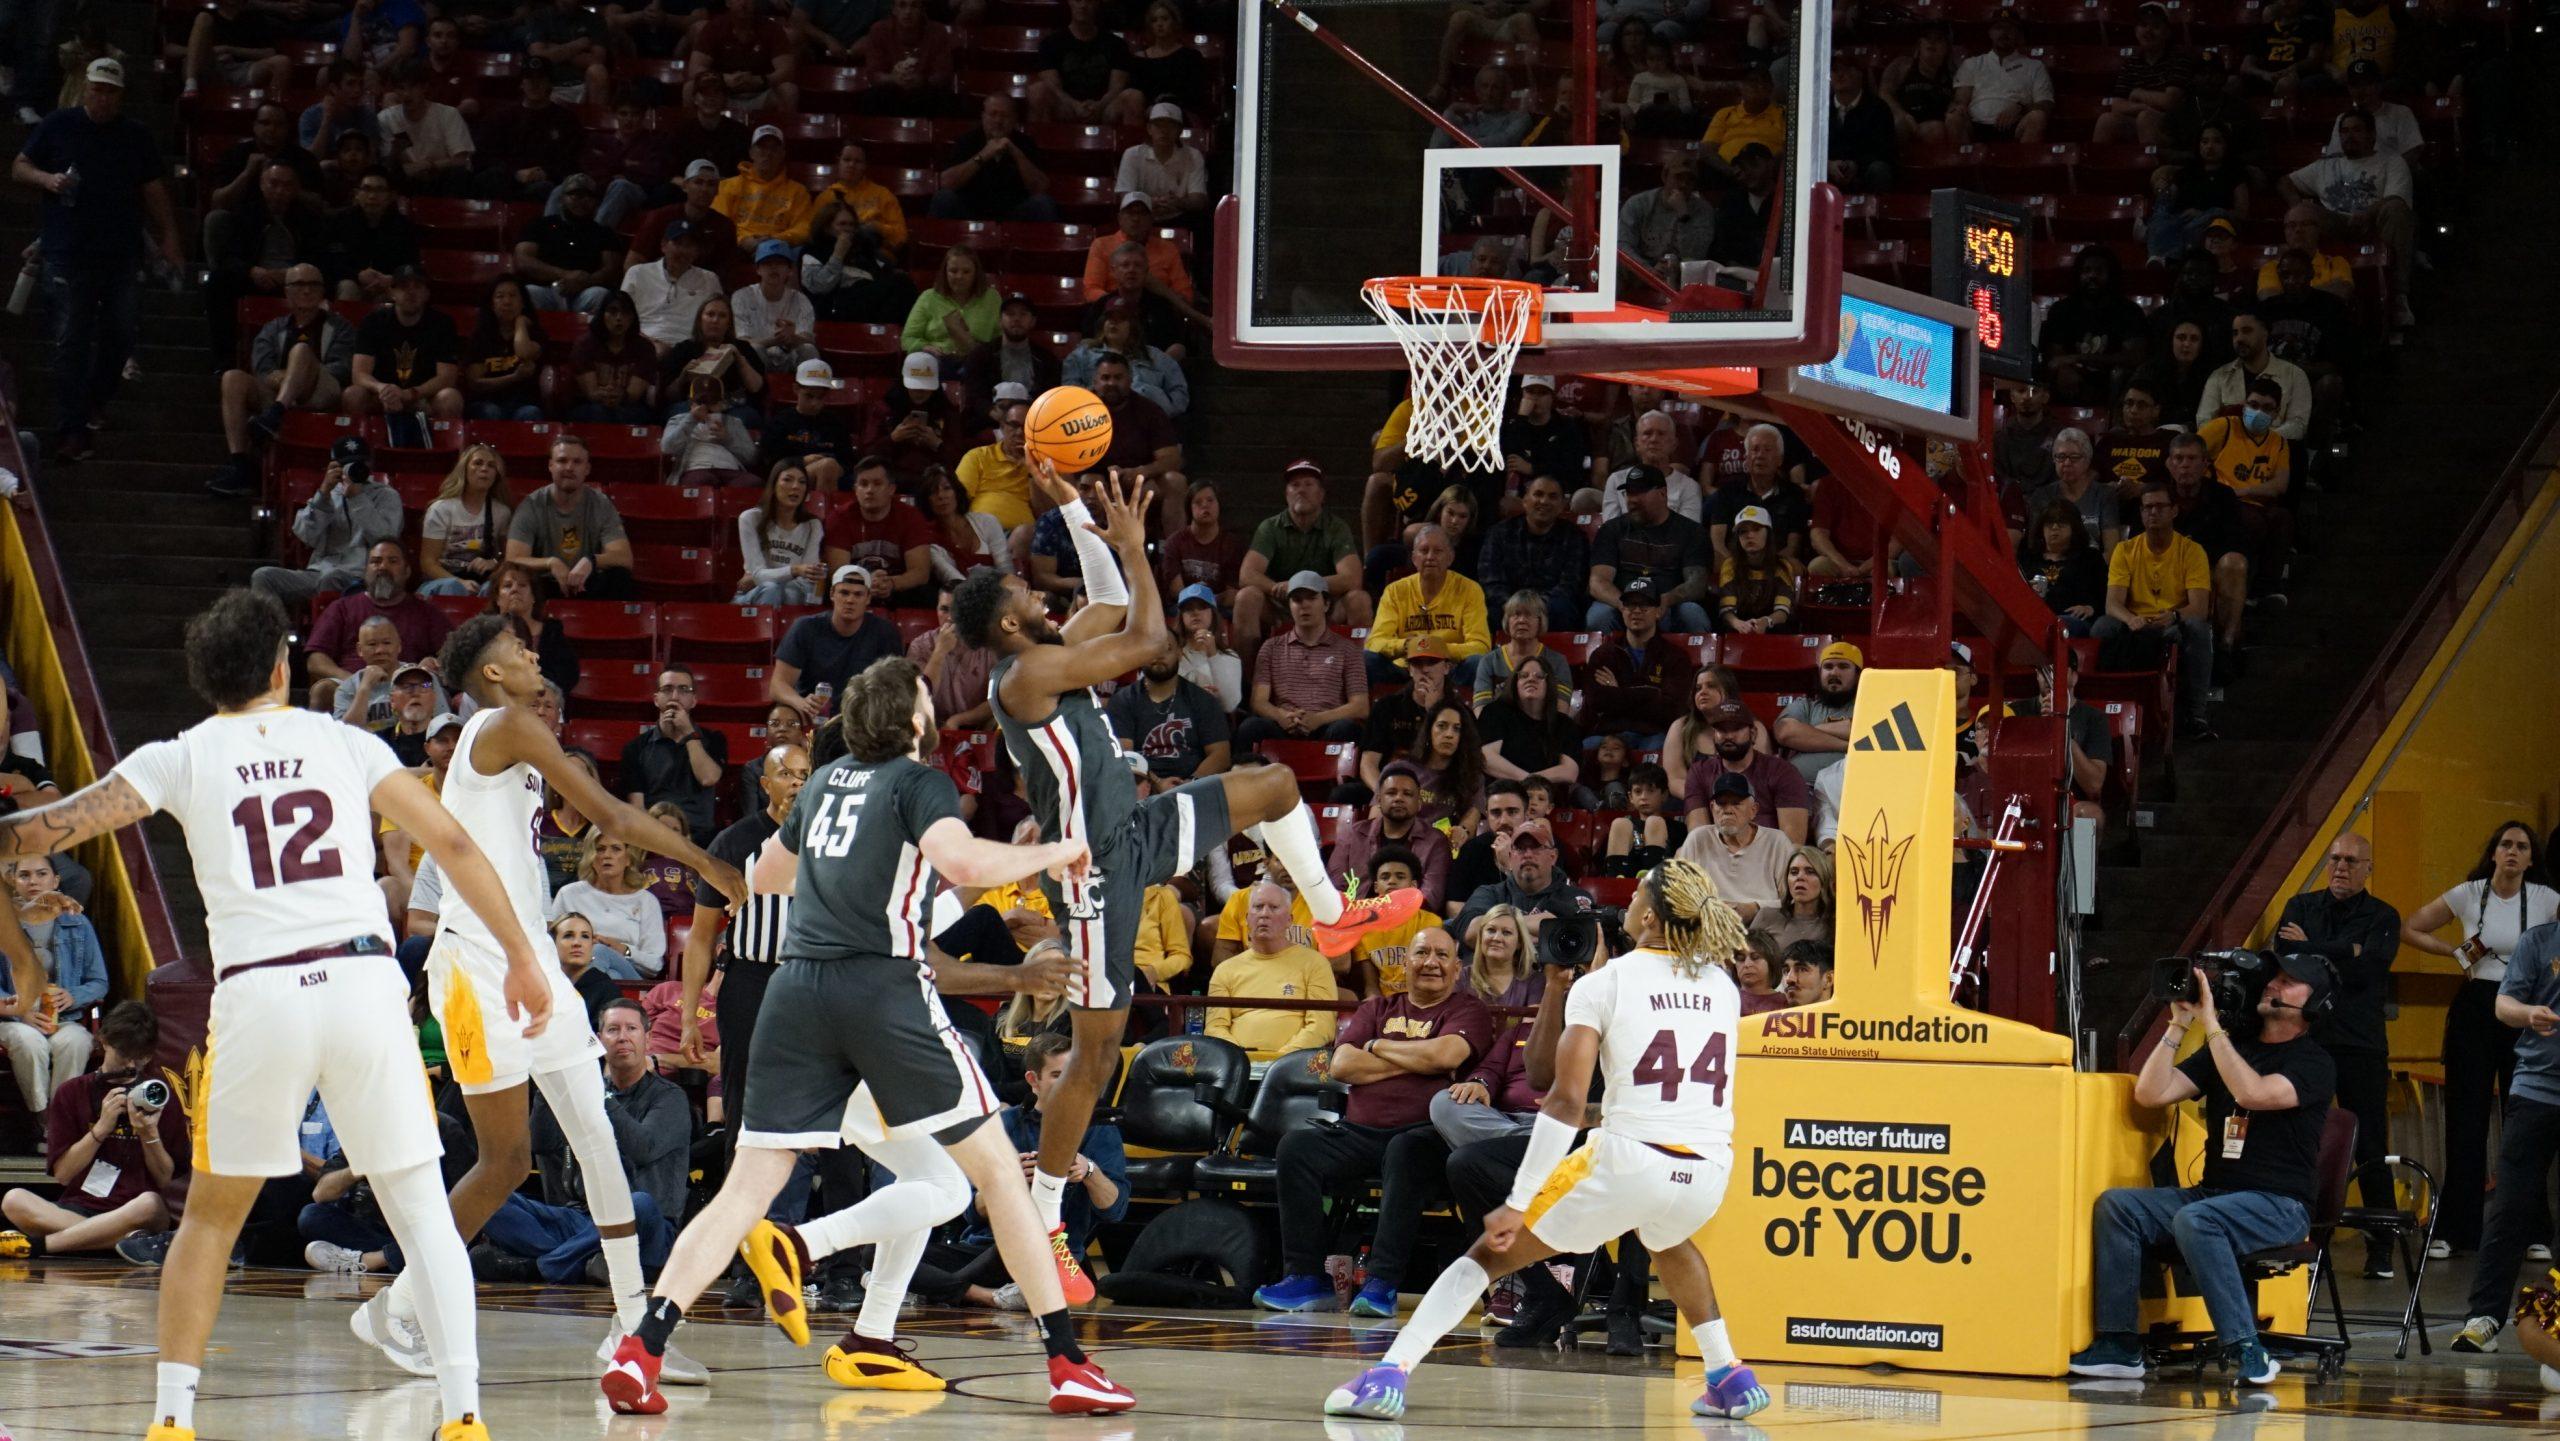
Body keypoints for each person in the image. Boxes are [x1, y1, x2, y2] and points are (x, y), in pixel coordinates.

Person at [0, 589, 546, 1441]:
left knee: (212, 1215)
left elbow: (40, 833)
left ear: (204, 679)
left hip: (260, 994)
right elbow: (457, 846)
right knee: (420, 1208)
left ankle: (173, 1419)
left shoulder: (179, 754)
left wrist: (19, 897)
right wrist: (520, 955)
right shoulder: (348, 740)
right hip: (364, 985)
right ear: (285, 667)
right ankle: (465, 1411)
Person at [598, 657, 1138, 1416]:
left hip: (794, 991)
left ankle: (642, 1347)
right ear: (914, 720)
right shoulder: (919, 782)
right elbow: (962, 861)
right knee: (996, 1174)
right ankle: (1068, 1362)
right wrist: (1054, 850)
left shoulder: (823, 782)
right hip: (880, 989)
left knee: (745, 1187)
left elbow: (766, 873)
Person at [962, 467, 1423, 1300]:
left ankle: (1334, 914)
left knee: (1277, 786)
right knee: (1095, 1050)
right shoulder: (1023, 679)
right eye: (1022, 589)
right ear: (1005, 620)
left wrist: (1072, 501)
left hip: (1137, 829)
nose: (1037, 589)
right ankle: (1045, 1218)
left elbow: (1105, 592)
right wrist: (1138, 548)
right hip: (1095, 868)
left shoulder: (1052, 651)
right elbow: (1146, 642)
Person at [347, 614, 743, 1394]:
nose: (534, 655)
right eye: (519, 649)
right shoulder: (506, 723)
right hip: (475, 962)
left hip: (529, 954)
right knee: (506, 1160)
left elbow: (553, 818)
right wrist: (711, 866)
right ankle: (394, 1306)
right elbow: (617, 818)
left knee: (597, 1139)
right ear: (491, 674)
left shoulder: (512, 742)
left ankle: (633, 1329)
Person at [1323, 860, 1770, 1422]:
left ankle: (1389, 1374)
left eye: (1634, 896)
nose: (1625, 903)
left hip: (1631, 1160)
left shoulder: (1607, 983)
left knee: (1488, 1254)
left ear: (1650, 917)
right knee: (1672, 1243)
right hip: (1707, 1169)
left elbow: (1559, 1099)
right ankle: (1728, 1373)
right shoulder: (1721, 985)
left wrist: (1517, 1201)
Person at [2071, 953, 2339, 1386]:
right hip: (2213, 1196)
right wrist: (2178, 1024)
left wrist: (2213, 1027)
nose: (2274, 986)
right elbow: (2151, 1092)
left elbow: (2252, 1093)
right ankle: (2119, 1344)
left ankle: (2246, 1346)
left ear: (2314, 1005)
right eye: (2275, 978)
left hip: (2279, 1206)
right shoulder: (2231, 1048)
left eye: (2290, 983)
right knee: (2118, 1207)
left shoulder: (2313, 1062)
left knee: (2196, 1219)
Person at [1255, 927, 1493, 1317]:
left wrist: (1378, 1047)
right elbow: (1342, 1065)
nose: (1430, 962)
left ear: (1456, 968)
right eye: (1421, 953)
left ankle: (1382, 1282)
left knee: (1405, 1150)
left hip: (1425, 1138)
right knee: (1296, 1147)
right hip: (1359, 1133)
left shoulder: (1468, 1010)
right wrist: (1418, 1061)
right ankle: (1306, 1278)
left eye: (1441, 955)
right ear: (1406, 963)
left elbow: (1446, 1056)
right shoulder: (1376, 1008)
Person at [2400, 823, 2559, 1258]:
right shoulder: (2468, 893)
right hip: (2476, 1004)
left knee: (2524, 1119)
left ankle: (2532, 1232)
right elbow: (2410, 927)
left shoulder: (2547, 899)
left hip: (2523, 1008)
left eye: (2521, 847)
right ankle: (2455, 1230)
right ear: (2493, 853)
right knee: (2465, 1123)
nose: (2512, 852)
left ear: (2531, 859)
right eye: (2505, 844)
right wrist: (2454, 952)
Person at [14, 58, 183, 463]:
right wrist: (47, 180)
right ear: (85, 88)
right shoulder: (59, 125)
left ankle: (92, 400)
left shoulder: (134, 135)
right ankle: (71, 428)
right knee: (71, 338)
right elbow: (20, 166)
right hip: (68, 250)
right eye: (97, 88)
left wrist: (170, 237)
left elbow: (153, 188)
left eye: (110, 91)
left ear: (120, 95)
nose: (102, 97)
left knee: (122, 334)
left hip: (121, 251)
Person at [2271, 831, 2400, 1275]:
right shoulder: (2301, 906)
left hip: (2360, 1044)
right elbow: (2287, 958)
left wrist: (2313, 947)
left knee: (2370, 1144)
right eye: (2335, 859)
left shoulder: (2384, 915)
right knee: (2302, 1140)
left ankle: (2381, 1248)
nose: (2341, 867)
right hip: (2308, 1041)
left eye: (2351, 860)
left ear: (2369, 868)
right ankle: (2304, 1244)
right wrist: (2345, 949)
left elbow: (2369, 969)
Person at [0, 998, 182, 1260]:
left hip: (134, 1211)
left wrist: (149, 1134)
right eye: (123, 1055)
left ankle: (42, 1246)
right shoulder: (72, 1092)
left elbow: (165, 1179)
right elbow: (63, 1174)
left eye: (139, 1059)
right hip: (79, 1208)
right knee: (14, 1199)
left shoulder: (157, 1094)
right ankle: (127, 1244)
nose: (130, 1066)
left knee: (151, 1204)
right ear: (105, 1041)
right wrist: (100, 1129)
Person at [2096, 481, 2217, 741]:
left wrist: (2173, 616)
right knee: (2102, 627)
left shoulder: (2192, 551)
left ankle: (2197, 713)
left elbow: (2199, 607)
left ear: (2174, 510)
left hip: (2173, 621)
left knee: (2198, 627)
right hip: (2135, 621)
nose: (2153, 512)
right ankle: (2102, 706)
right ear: (2140, 513)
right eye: (2147, 507)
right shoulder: (2125, 550)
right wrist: (2131, 619)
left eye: (2160, 506)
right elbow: (2112, 603)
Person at [1236, 461, 1372, 640]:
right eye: (1295, 485)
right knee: (1246, 597)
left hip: (1325, 608)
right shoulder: (1270, 527)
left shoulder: (1337, 528)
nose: (1301, 490)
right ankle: (1247, 667)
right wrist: (1277, 589)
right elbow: (1247, 575)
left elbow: (1352, 579)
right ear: (1286, 494)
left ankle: (1359, 666)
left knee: (1359, 600)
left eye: (1308, 484)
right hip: (1282, 608)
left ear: (1321, 494)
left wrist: (1300, 585)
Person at [1204, 880, 1339, 1051]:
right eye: (1258, 907)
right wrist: (1238, 1059)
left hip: (1291, 1067)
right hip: (1238, 1068)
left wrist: (1280, 1061)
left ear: (1289, 920)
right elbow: (1215, 1027)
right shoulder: (1225, 970)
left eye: (1274, 908)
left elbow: (1322, 1026)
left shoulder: (1315, 964)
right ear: (1247, 919)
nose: (1264, 914)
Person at [1241, 571, 1370, 747]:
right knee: (1251, 727)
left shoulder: (1348, 650)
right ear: (1290, 606)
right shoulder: (1271, 647)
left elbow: (1361, 706)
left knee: (1347, 729)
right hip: (1284, 726)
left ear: (1326, 604)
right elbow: (1258, 701)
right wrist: (1281, 716)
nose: (1304, 605)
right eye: (1297, 600)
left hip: (1326, 726)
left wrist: (1319, 719)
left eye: (1311, 598)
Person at [506, 434, 638, 600]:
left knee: (620, 576)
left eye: (577, 462)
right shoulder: (532, 504)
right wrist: (550, 562)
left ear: (587, 469)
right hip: (545, 585)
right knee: (517, 579)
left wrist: (591, 561)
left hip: (586, 583)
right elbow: (513, 559)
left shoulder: (601, 504)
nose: (569, 467)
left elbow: (624, 557)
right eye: (562, 461)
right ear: (550, 466)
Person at [772, 565, 905, 722]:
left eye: (858, 594)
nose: (850, 600)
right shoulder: (805, 628)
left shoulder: (885, 633)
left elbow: (895, 690)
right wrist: (801, 703)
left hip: (863, 721)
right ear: (832, 594)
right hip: (814, 717)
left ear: (868, 598)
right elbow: (778, 685)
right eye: (844, 592)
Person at [1106, 632, 1231, 782]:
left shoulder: (1202, 699)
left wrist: (1190, 783)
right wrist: (1157, 783)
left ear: (1179, 653)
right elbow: (1125, 755)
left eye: (1167, 648)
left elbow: (1221, 755)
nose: (1159, 655)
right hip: (1142, 786)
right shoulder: (1122, 700)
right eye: (1152, 648)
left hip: (1194, 786)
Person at [1328, 763, 1452, 911]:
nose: (1399, 798)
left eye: (1407, 794)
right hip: (1356, 919)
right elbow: (1336, 888)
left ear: (1419, 803)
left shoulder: (1436, 841)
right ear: (1378, 800)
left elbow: (1431, 897)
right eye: (1391, 793)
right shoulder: (1353, 834)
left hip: (1409, 921)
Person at [1674, 774, 1791, 921]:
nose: (1727, 810)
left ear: (1753, 810)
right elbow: (1678, 895)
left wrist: (1755, 908)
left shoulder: (1777, 842)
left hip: (1763, 927)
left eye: (1736, 803)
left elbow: (1791, 901)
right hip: (1708, 926)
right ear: (1712, 808)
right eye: (1721, 803)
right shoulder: (1698, 839)